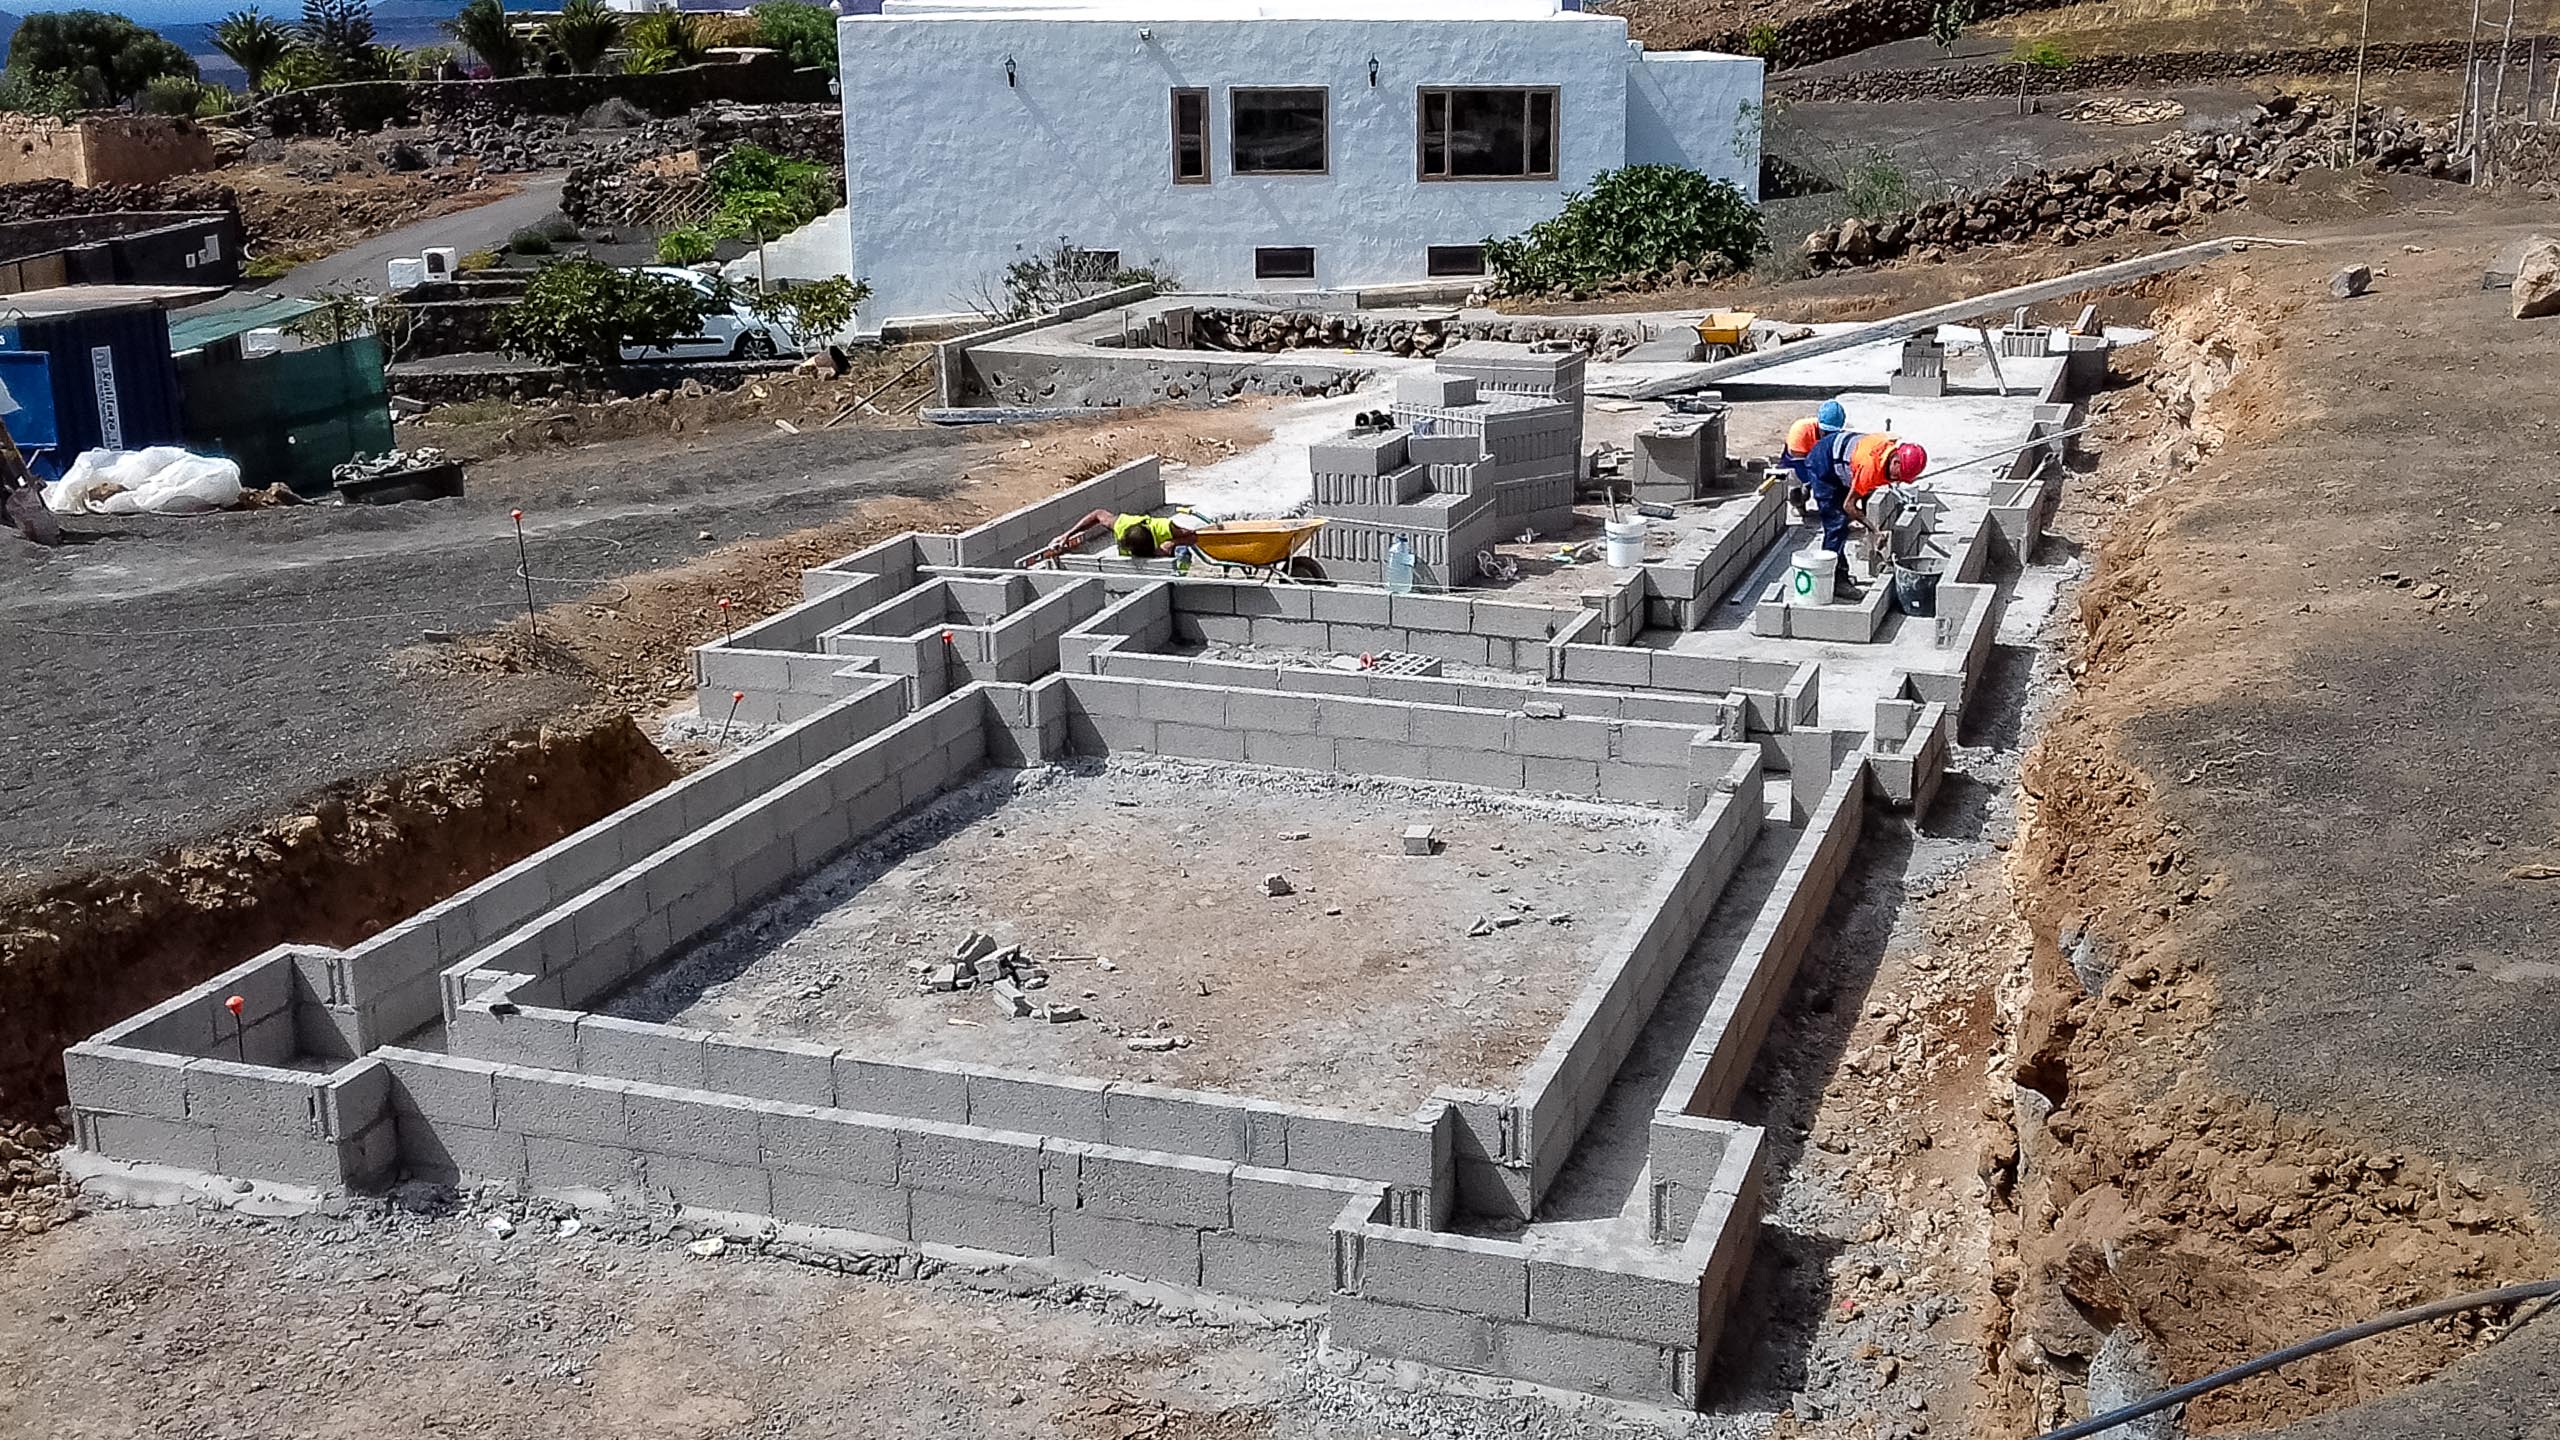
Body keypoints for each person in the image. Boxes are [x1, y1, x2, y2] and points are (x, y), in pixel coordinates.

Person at [1051, 508, 1203, 559]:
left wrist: (1171, 543)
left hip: (1165, 562)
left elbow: (1193, 536)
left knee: (1182, 552)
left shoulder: (1163, 527)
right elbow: (1098, 514)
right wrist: (1067, 535)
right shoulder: (1121, 525)